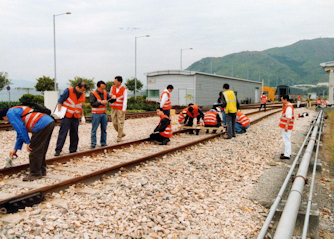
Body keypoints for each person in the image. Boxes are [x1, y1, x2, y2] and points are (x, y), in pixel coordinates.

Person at [0, 106, 55, 181]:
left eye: (4, 119)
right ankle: (42, 171)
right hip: (48, 122)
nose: (6, 121)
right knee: (41, 149)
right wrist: (15, 149)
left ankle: (35, 173)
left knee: (34, 150)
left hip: (41, 124)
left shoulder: (10, 114)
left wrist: (28, 142)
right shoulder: (15, 110)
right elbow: (20, 134)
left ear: (4, 116)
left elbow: (20, 129)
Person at [54, 82, 86, 156]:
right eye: (81, 90)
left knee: (74, 134)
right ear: (77, 87)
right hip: (66, 116)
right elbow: (60, 101)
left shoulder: (82, 94)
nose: (82, 92)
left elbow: (81, 106)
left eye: (84, 91)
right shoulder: (68, 91)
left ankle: (73, 150)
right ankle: (58, 150)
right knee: (63, 133)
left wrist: (82, 116)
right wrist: (59, 112)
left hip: (76, 116)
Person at [90, 81, 113, 148]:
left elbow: (110, 99)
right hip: (95, 114)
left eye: (104, 88)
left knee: (104, 129)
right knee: (94, 129)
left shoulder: (105, 93)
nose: (103, 90)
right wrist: (101, 103)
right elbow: (92, 103)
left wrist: (114, 98)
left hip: (103, 114)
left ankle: (103, 143)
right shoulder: (93, 94)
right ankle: (93, 143)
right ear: (98, 87)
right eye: (102, 88)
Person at [110, 76, 128, 142]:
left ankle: (119, 136)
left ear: (119, 82)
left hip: (120, 108)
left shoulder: (124, 89)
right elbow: (110, 95)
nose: (114, 82)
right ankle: (121, 133)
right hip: (113, 107)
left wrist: (124, 108)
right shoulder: (112, 87)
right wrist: (112, 97)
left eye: (115, 81)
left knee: (120, 122)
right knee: (114, 122)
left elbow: (125, 99)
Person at [279, 95, 294, 160]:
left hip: (287, 126)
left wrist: (286, 126)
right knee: (286, 139)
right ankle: (287, 152)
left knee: (286, 140)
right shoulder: (287, 106)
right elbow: (283, 111)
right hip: (286, 126)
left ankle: (287, 154)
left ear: (285, 100)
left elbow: (289, 117)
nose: (281, 101)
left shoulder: (289, 107)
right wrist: (283, 104)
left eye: (282, 100)